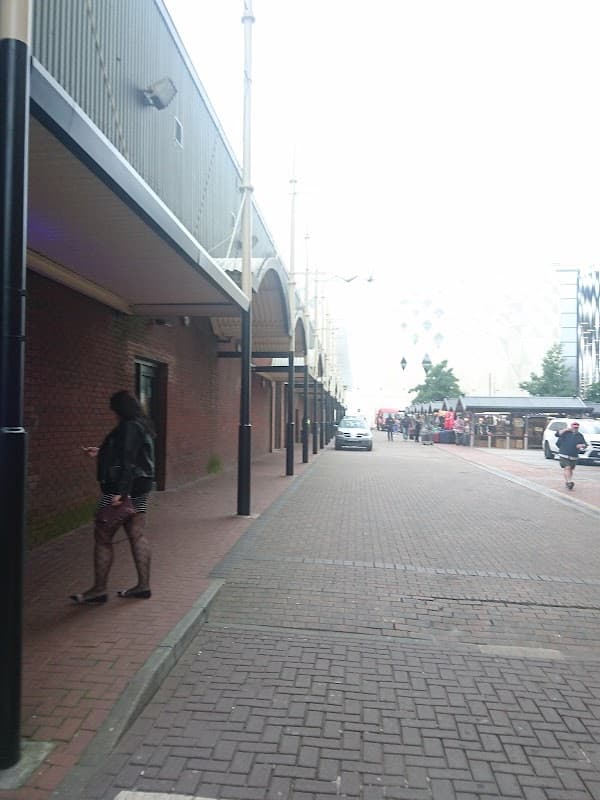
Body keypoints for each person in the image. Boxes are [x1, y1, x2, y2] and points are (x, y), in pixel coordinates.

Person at [70, 390, 155, 604]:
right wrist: (101, 451)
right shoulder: (141, 424)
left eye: (114, 410)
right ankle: (143, 586)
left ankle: (98, 590)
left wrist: (120, 492)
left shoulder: (128, 426)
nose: (113, 414)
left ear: (119, 409)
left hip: (121, 488)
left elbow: (127, 460)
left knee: (102, 535)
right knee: (137, 534)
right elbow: (129, 453)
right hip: (140, 486)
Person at [555, 421, 587, 491]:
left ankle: (567, 482)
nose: (575, 428)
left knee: (570, 469)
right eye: (574, 426)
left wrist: (582, 445)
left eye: (577, 427)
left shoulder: (580, 435)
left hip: (574, 455)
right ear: (571, 426)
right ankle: (569, 482)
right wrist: (566, 429)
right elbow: (557, 434)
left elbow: (585, 444)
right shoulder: (565, 433)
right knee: (567, 467)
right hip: (564, 454)